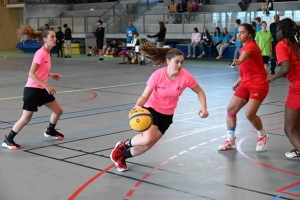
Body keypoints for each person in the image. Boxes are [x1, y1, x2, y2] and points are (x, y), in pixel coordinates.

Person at [110, 41, 209, 171]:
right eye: (177, 62)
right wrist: (137, 106)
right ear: (168, 61)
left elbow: (200, 91)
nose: (180, 65)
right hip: (151, 108)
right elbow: (145, 96)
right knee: (147, 139)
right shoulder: (158, 75)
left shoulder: (186, 77)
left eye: (182, 62)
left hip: (167, 114)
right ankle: (124, 145)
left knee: (147, 146)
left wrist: (204, 107)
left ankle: (122, 157)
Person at [2, 25, 64, 150]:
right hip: (33, 90)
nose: (55, 38)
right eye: (52, 36)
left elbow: (41, 70)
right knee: (26, 118)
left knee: (58, 111)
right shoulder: (40, 53)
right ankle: (8, 140)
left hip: (41, 89)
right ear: (45, 39)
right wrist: (47, 85)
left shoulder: (47, 53)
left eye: (55, 36)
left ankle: (50, 130)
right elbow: (31, 73)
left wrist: (51, 75)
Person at [218, 23, 269, 152]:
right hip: (246, 83)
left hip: (258, 84)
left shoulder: (251, 47)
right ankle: (231, 140)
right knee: (230, 109)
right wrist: (238, 81)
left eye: (242, 32)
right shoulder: (243, 47)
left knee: (250, 114)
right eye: (238, 32)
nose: (238, 35)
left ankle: (262, 135)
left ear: (250, 34)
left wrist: (239, 60)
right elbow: (248, 68)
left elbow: (244, 57)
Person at [266, 18, 300, 159]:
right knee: (297, 126)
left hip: (298, 88)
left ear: (281, 31)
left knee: (289, 129)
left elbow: (286, 68)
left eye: (277, 30)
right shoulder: (297, 44)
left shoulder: (282, 45)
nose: (276, 33)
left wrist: (272, 77)